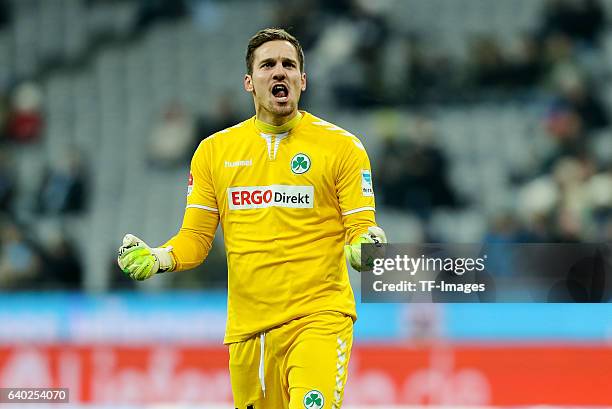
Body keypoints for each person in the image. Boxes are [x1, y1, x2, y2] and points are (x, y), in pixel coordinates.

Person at [117, 28, 386, 408]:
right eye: (268, 65)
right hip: (248, 332)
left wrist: (367, 246)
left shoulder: (342, 147)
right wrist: (159, 257)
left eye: (289, 65)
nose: (280, 72)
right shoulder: (214, 152)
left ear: (302, 80)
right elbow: (195, 239)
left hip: (319, 319)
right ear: (250, 82)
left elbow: (361, 227)